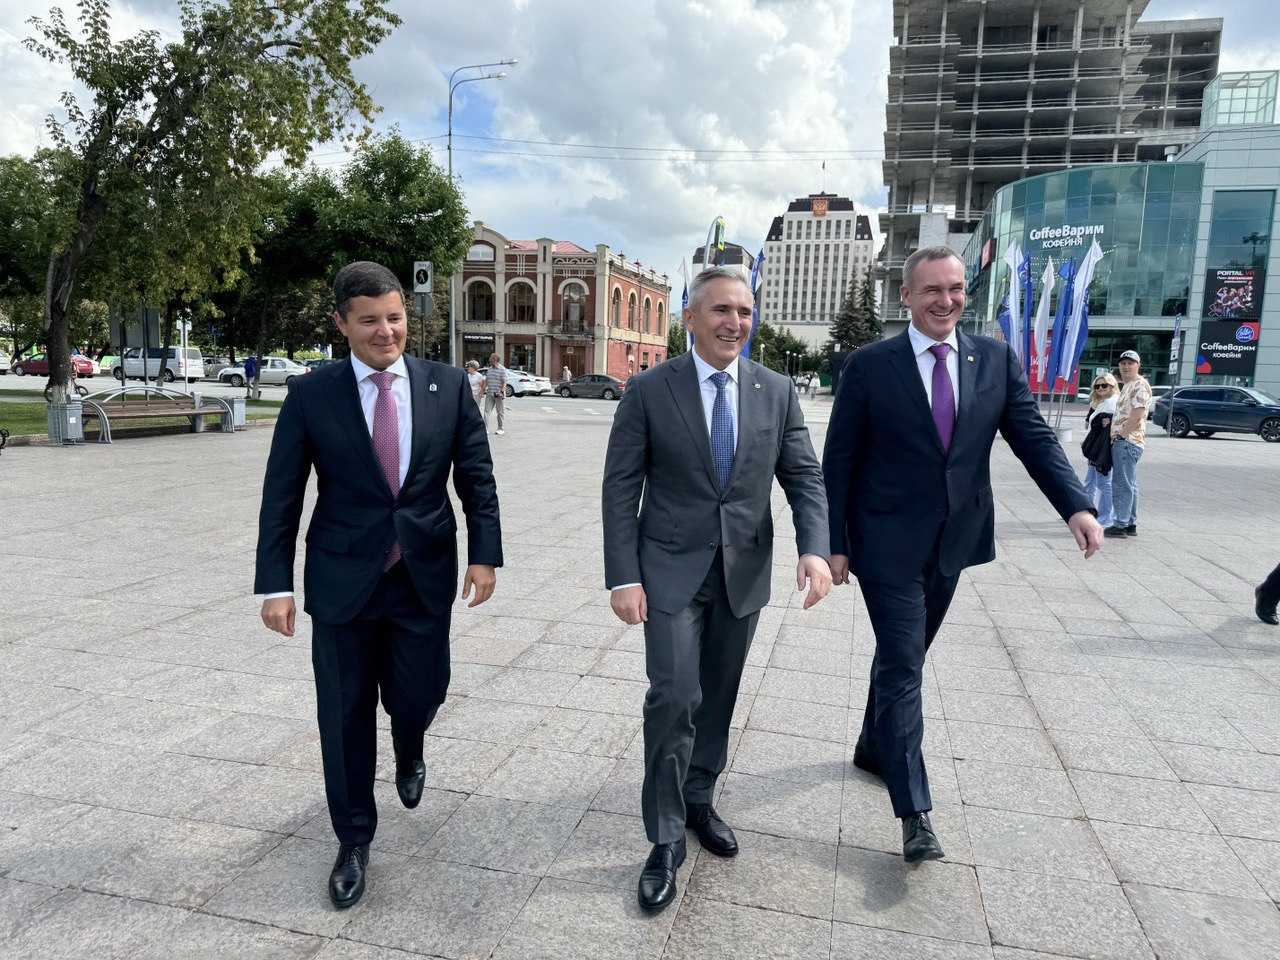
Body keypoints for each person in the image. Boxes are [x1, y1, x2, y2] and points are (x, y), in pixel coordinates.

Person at [822, 246, 1101, 863]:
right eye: (931, 290)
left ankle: (873, 745)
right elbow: (837, 460)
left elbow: (1033, 438)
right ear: (906, 296)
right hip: (885, 542)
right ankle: (914, 813)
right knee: (904, 665)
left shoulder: (994, 359)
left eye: (954, 289)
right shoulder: (870, 366)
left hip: (955, 541)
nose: (945, 300)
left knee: (905, 654)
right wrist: (833, 544)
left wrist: (1076, 506)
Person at [255, 261, 502, 909]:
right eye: (369, 321)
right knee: (343, 715)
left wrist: (485, 556)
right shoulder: (312, 394)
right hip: (343, 581)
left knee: (421, 693)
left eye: (394, 317)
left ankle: (410, 743)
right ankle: (353, 839)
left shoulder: (447, 386)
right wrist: (274, 584)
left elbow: (476, 480)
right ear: (342, 323)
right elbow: (282, 495)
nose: (386, 331)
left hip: (422, 575)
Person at [602, 265, 832, 912]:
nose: (736, 322)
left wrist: (814, 548)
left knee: (719, 699)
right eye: (722, 310)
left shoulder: (775, 390)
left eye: (745, 311)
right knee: (674, 696)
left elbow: (804, 478)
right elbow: (621, 487)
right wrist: (623, 575)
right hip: (668, 571)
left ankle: (699, 797)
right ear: (691, 318)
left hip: (743, 572)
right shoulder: (650, 389)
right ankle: (664, 836)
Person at [1105, 349, 1151, 538]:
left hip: (1127, 442)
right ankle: (1130, 523)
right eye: (1123, 363)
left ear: (1138, 365)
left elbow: (1138, 415)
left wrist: (1122, 436)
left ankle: (1120, 524)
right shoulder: (1129, 385)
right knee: (1130, 483)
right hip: (1128, 441)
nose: (1126, 367)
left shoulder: (1140, 385)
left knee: (1121, 483)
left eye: (1130, 363)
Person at [1081, 373, 1118, 528]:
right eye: (1097, 386)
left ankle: (1105, 518)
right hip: (1096, 448)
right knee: (1090, 482)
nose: (1100, 388)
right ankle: (1087, 512)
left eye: (1104, 385)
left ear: (1112, 385)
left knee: (1104, 483)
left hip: (1103, 449)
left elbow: (1110, 426)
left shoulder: (1112, 403)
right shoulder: (1101, 402)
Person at [484, 352, 508, 435]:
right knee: (487, 411)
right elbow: (487, 380)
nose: (489, 360)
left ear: (495, 359)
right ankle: (486, 428)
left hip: (499, 394)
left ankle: (500, 428)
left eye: (490, 358)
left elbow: (505, 382)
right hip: (490, 393)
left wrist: (502, 392)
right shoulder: (489, 369)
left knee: (500, 412)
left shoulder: (502, 369)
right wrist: (482, 390)